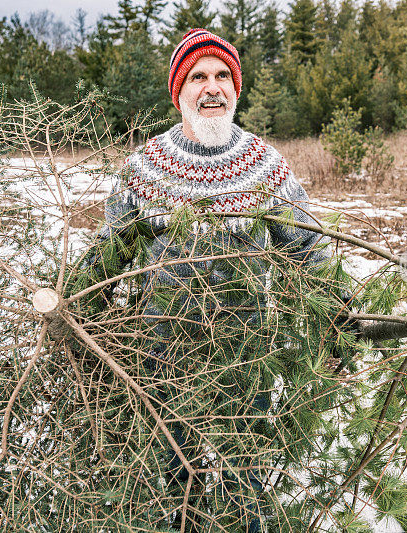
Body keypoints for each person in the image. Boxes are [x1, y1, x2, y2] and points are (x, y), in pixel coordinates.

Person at [89, 28, 335, 532]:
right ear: (179, 91)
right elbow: (108, 252)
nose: (213, 88)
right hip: (161, 353)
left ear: (236, 89)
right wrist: (73, 304)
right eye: (198, 76)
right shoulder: (144, 167)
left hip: (247, 351)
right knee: (170, 480)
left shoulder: (264, 163)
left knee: (245, 482)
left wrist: (338, 311)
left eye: (223, 75)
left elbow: (308, 247)